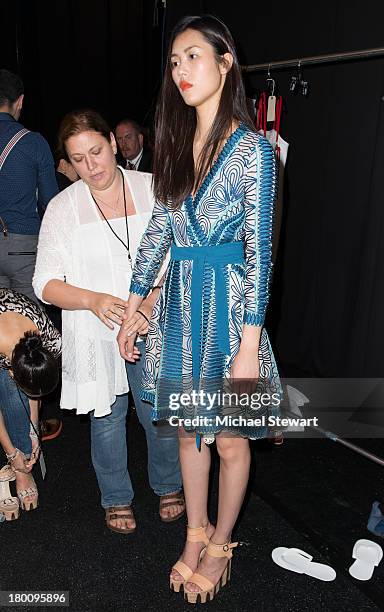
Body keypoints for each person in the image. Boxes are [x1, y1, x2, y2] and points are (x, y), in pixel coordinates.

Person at [117, 14, 282, 603]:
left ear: (225, 59)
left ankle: (221, 545)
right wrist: (136, 307)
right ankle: (195, 532)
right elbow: (159, 231)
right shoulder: (173, 146)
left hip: (231, 308)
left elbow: (261, 253)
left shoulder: (253, 150)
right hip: (182, 307)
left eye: (192, 56)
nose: (181, 70)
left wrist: (246, 344)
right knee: (190, 433)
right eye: (173, 61)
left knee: (232, 439)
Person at [33, 110, 183, 534]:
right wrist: (93, 300)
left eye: (97, 152)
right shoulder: (64, 207)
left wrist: (151, 301)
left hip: (154, 321)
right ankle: (116, 496)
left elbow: (179, 256)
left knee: (159, 411)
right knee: (108, 415)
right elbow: (43, 282)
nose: (91, 166)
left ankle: (169, 483)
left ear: (114, 144)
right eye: (78, 159)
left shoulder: (153, 188)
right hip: (95, 331)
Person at [0, 287, 61, 517]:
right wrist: (12, 454)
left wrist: (34, 431)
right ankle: (20, 468)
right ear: (13, 373)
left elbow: (35, 389)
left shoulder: (50, 341)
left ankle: (24, 463)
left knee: (20, 405)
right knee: (11, 397)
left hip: (12, 339)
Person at [0, 69, 58, 304]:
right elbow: (51, 202)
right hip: (22, 246)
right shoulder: (32, 142)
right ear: (20, 101)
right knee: (30, 324)